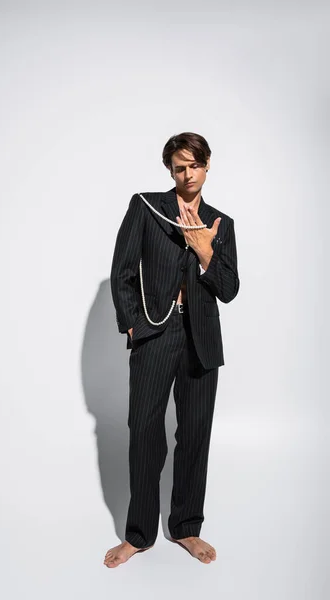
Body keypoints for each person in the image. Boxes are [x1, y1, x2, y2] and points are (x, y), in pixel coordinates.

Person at [104, 132, 240, 568]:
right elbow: (122, 269)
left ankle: (186, 528)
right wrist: (132, 325)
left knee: (195, 434)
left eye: (194, 165)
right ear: (170, 171)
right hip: (156, 334)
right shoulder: (146, 206)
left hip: (202, 339)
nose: (187, 174)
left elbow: (229, 289)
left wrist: (206, 253)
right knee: (144, 431)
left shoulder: (222, 223)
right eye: (179, 167)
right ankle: (139, 535)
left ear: (207, 165)